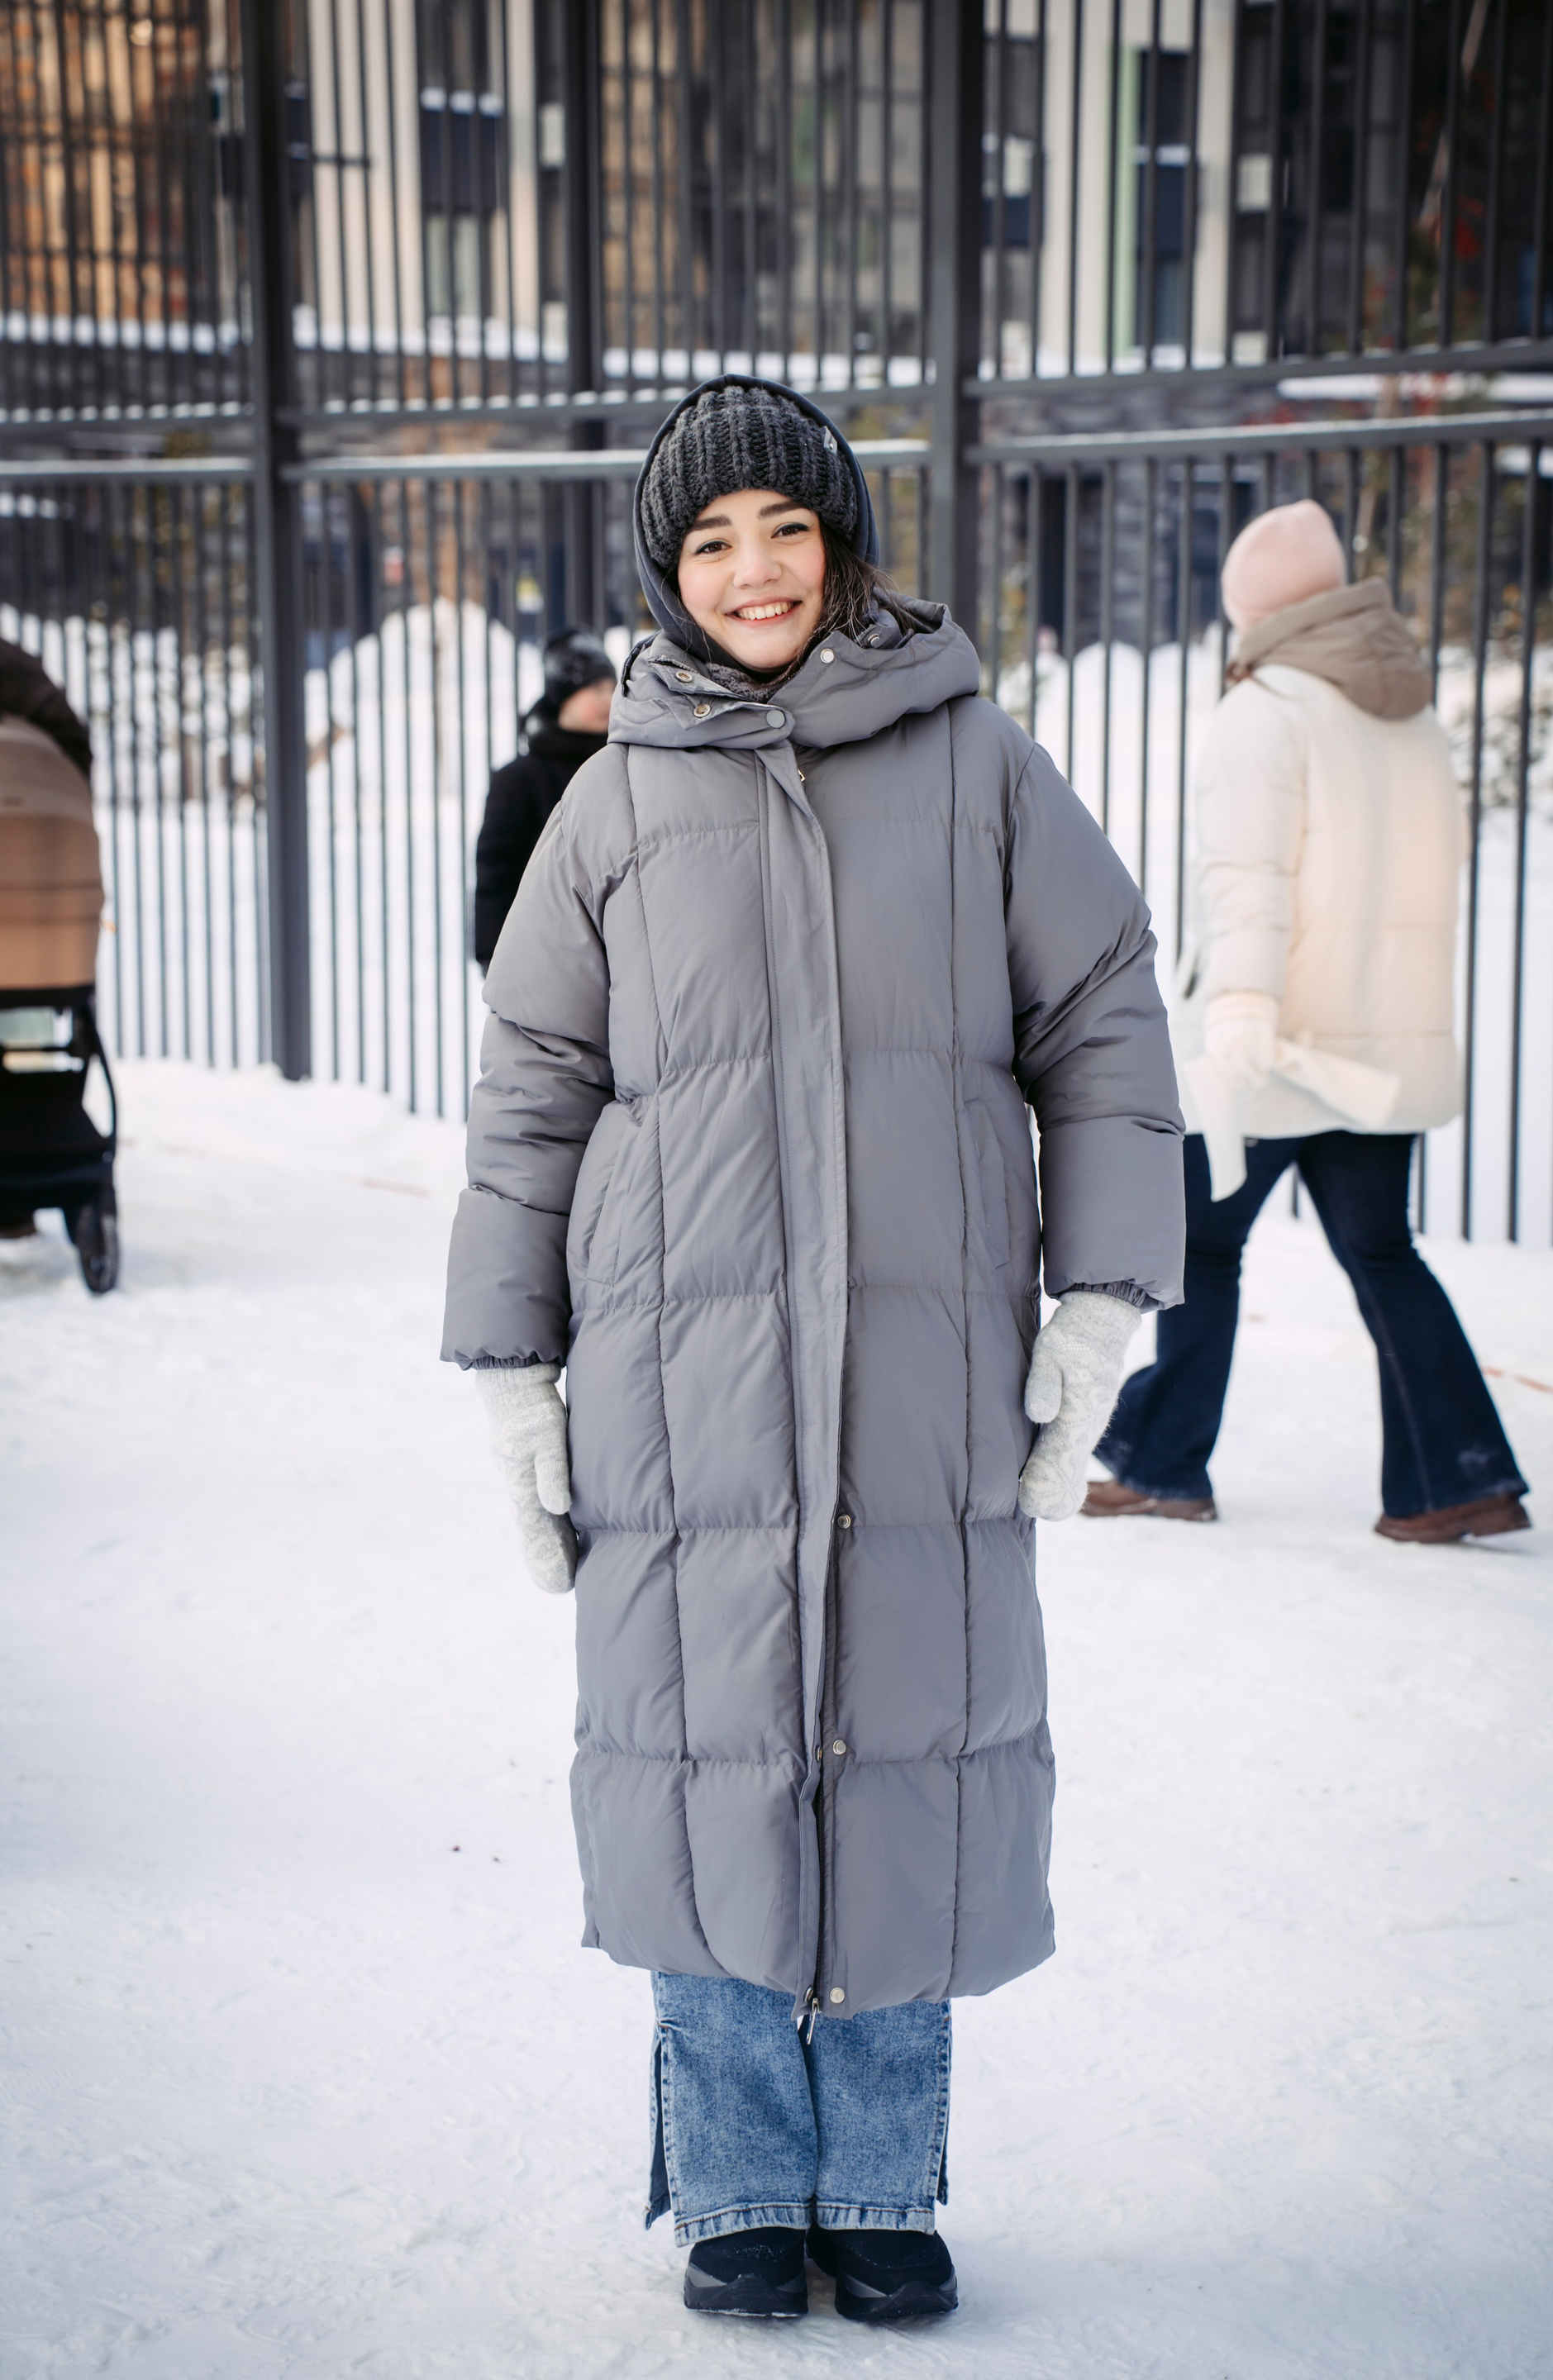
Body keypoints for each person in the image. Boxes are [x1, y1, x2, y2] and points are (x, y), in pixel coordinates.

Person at [441, 376, 1184, 2321]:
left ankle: (875, 2179)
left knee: (906, 1755)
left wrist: (1103, 1295)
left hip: (920, 1376)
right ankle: (741, 2185)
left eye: (785, 526)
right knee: (704, 1757)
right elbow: (532, 1090)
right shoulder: (613, 799)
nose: (754, 569)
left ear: (842, 542)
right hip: (678, 1381)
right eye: (710, 540)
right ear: (667, 576)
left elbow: (1103, 1016)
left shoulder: (978, 763)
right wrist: (510, 1364)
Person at [1089, 497, 1529, 1545]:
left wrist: (1237, 1019)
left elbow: (1249, 887)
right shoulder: (1409, 711)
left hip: (1272, 1045)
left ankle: (1163, 1467)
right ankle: (1458, 1477)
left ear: (1255, 609)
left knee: (1198, 1248)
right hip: (1377, 1046)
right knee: (1383, 1252)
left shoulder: (1267, 710)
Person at [472, 624, 616, 968]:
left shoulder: (625, 765)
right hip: (544, 954)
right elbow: (497, 870)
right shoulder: (518, 779)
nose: (607, 699)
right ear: (563, 696)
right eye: (594, 688)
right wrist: (493, 954)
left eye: (612, 687)